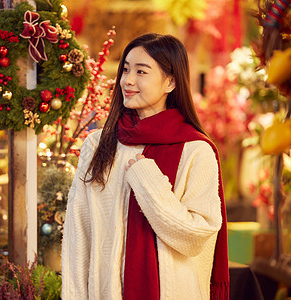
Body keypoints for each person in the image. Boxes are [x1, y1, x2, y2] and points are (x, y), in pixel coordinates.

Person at [61, 33, 229, 300]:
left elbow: (196, 235)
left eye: (141, 71)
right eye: (126, 69)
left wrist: (148, 181)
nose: (127, 80)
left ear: (171, 82)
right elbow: (78, 234)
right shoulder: (98, 145)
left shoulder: (196, 149)